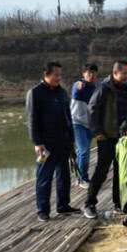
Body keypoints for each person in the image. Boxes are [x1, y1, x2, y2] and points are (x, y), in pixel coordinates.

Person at [26, 61, 80, 221]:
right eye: (56, 74)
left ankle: (63, 206)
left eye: (60, 75)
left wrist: (71, 138)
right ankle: (42, 210)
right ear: (46, 74)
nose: (59, 77)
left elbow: (68, 117)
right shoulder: (35, 93)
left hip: (63, 142)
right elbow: (31, 119)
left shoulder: (62, 92)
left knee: (64, 175)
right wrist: (37, 142)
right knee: (44, 177)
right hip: (45, 144)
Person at [84, 61, 127, 219]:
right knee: (102, 170)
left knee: (121, 171)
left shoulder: (126, 88)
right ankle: (89, 203)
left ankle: (118, 203)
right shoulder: (104, 87)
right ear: (115, 73)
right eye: (124, 73)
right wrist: (96, 131)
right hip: (106, 136)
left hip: (122, 137)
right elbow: (92, 109)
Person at [70, 63, 98, 188]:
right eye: (88, 73)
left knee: (81, 151)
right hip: (77, 123)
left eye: (93, 73)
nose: (91, 75)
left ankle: (78, 175)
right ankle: (83, 178)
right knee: (84, 150)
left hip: (89, 125)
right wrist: (78, 83)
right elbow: (77, 86)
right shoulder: (78, 85)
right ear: (83, 74)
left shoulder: (96, 88)